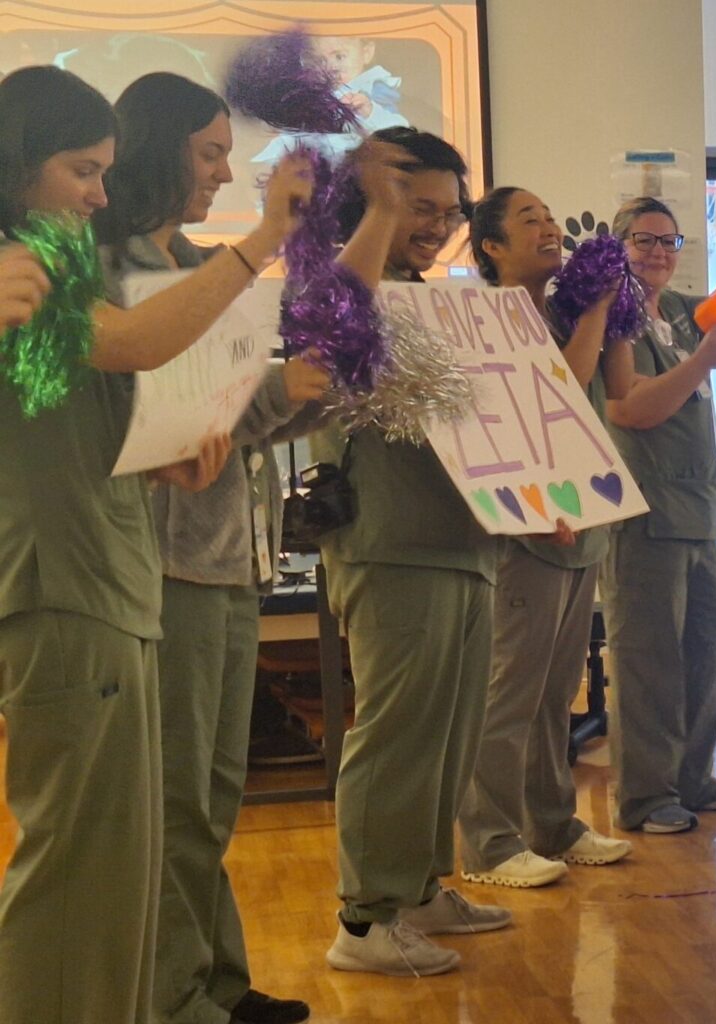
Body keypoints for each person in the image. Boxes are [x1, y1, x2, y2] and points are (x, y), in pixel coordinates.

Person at [0, 64, 311, 1024]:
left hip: (113, 578)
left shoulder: (42, 263)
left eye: (105, 173)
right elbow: (135, 344)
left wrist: (158, 457)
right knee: (80, 862)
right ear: (19, 166)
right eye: (81, 171)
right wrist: (264, 241)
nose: (99, 194)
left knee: (124, 860)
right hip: (66, 589)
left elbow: (64, 419)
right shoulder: (19, 263)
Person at [93, 71, 332, 1024]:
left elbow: (220, 419)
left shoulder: (198, 262)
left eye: (228, 153)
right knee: (176, 799)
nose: (222, 172)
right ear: (154, 151)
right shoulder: (108, 273)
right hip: (159, 564)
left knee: (215, 794)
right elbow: (132, 415)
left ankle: (215, 983)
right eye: (208, 152)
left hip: (231, 554)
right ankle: (176, 995)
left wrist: (291, 389)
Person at [313, 127, 513, 976]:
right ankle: (363, 919)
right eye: (416, 207)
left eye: (448, 212)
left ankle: (418, 886)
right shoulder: (348, 289)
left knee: (449, 733)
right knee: (398, 736)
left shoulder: (437, 297)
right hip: (392, 542)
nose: (435, 227)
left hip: (464, 540)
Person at [454, 185, 633, 887]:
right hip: (524, 529)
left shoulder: (557, 310)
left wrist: (608, 305)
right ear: (492, 248)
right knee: (510, 696)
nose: (551, 228)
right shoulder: (492, 315)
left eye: (552, 217)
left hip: (577, 521)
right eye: (530, 220)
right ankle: (491, 844)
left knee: (557, 692)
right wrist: (596, 305)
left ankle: (552, 825)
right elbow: (563, 386)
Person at [600, 194, 716, 834]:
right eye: (643, 240)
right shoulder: (613, 320)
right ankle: (646, 797)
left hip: (699, 509)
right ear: (616, 245)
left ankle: (693, 777)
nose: (657, 253)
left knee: (707, 648)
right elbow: (633, 410)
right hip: (645, 512)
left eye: (668, 242)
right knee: (648, 661)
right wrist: (707, 357)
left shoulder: (676, 311)